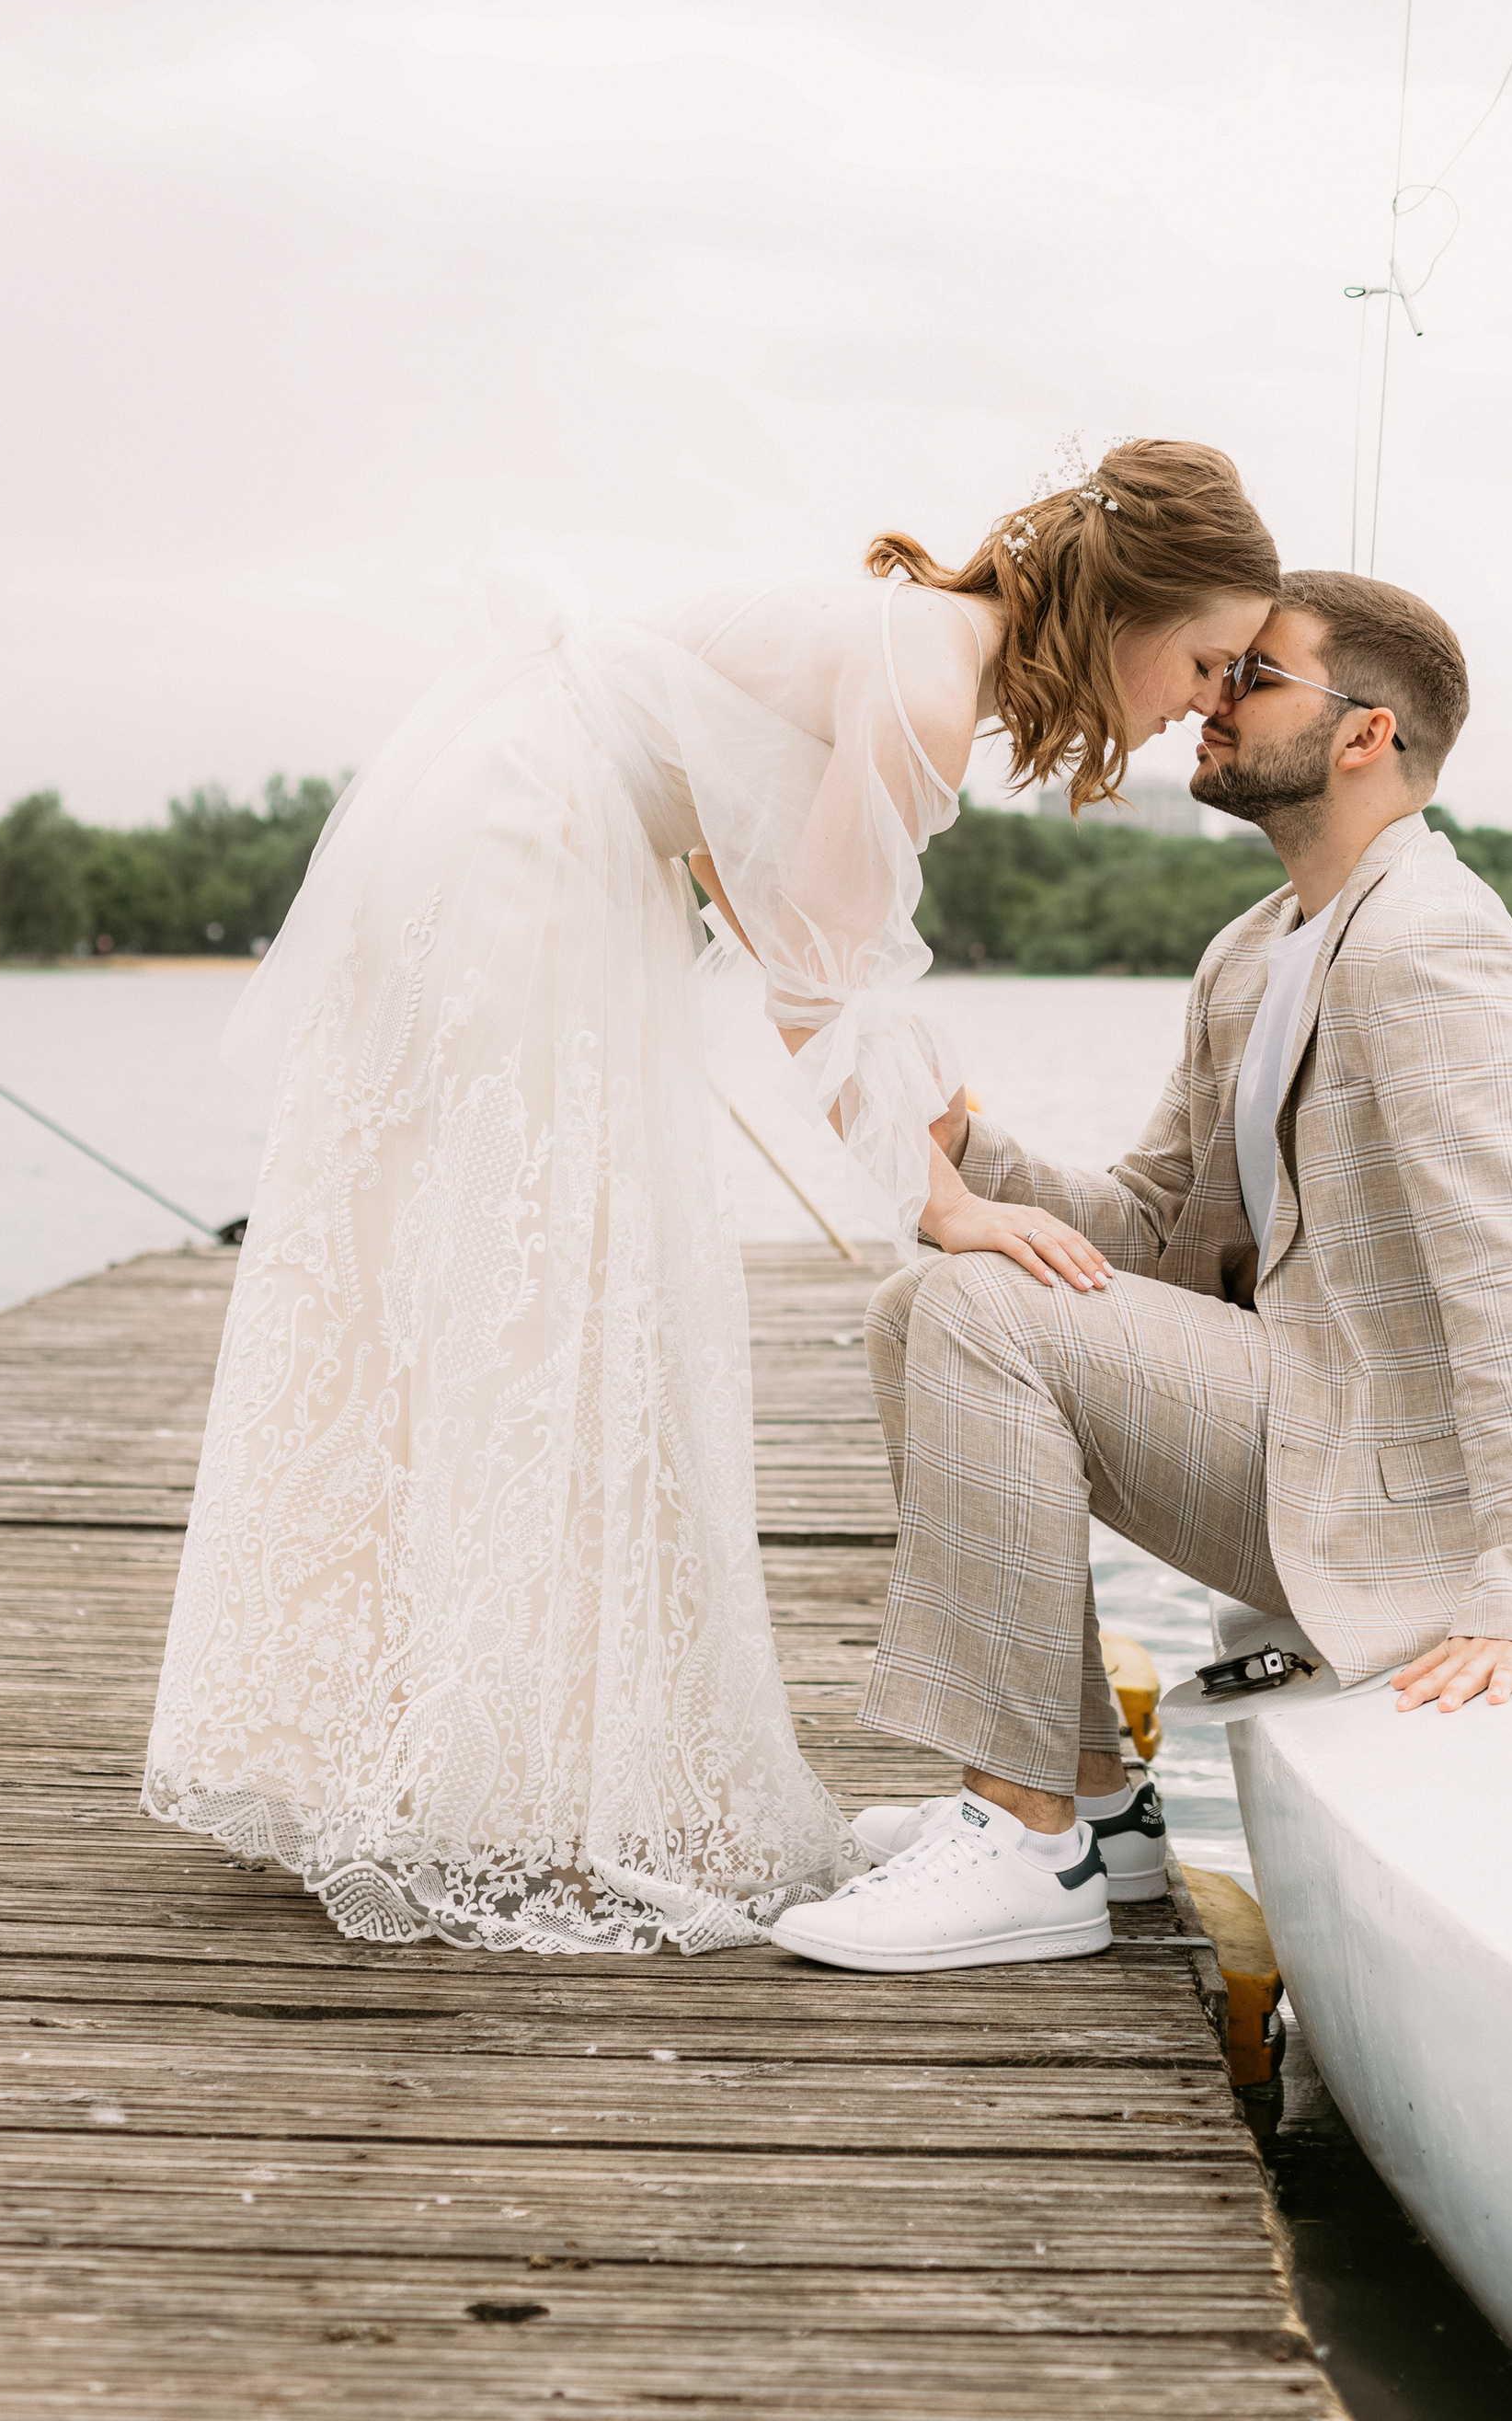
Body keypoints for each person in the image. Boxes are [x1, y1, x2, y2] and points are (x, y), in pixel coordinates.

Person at [141, 444, 1277, 1955]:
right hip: (527, 848)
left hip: (541, 822)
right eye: (1204, 660)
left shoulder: (932, 649)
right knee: (531, 1280)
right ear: (1123, 609)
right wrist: (946, 1207)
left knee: (520, 1274)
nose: (1207, 698)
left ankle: (451, 1740)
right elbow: (809, 980)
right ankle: (464, 1759)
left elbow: (778, 909)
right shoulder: (933, 682)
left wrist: (933, 1116)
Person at [771, 567, 1512, 1976]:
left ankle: (1027, 1848)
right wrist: (965, 1149)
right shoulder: (1256, 951)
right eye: (1218, 670)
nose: (1211, 697)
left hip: (1417, 1500)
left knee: (971, 1311)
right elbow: (1153, 1231)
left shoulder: (1433, 945)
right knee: (923, 1303)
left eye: (1255, 677)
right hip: (1311, 1431)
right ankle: (1094, 1806)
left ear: (1366, 734)